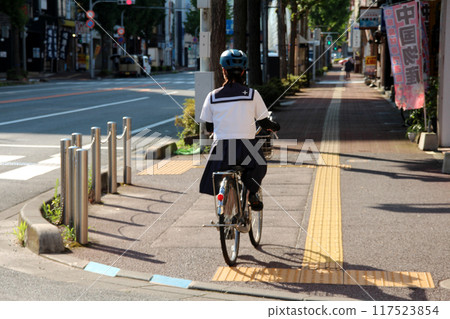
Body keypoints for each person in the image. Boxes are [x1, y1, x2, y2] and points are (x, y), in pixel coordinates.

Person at [199, 49, 280, 211]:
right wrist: (275, 126)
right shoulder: (252, 94)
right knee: (258, 167)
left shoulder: (212, 96)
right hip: (247, 147)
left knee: (220, 175)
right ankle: (251, 193)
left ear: (223, 71)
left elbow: (208, 127)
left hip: (221, 149)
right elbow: (264, 122)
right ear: (243, 72)